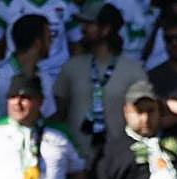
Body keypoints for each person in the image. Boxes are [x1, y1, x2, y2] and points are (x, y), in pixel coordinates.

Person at [53, 1, 147, 160]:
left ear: (106, 29)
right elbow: (58, 114)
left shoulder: (134, 70)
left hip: (118, 161)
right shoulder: (71, 67)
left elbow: (143, 118)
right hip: (76, 160)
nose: (82, 29)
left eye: (89, 24)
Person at [0, 14, 56, 119]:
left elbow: (49, 118)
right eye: (49, 39)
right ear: (38, 43)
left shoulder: (45, 78)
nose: (52, 43)